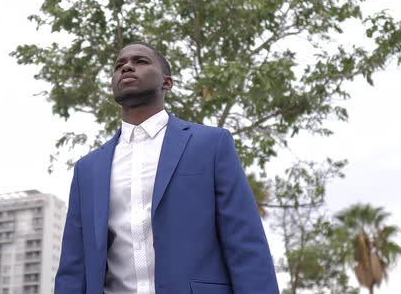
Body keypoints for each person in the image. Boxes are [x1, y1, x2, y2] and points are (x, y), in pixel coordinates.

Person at [55, 42, 279, 294]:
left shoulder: (211, 145)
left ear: (167, 82)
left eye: (140, 61)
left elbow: (245, 244)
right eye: (119, 65)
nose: (126, 66)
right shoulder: (88, 169)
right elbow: (74, 265)